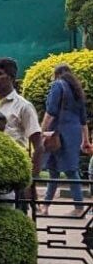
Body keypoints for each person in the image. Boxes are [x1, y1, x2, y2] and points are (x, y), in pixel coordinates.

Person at [40, 63, 93, 217]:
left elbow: (50, 112)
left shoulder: (58, 85)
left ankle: (70, 208)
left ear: (56, 74)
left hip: (57, 133)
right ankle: (73, 207)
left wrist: (41, 132)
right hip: (74, 133)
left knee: (55, 172)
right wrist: (86, 140)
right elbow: (83, 119)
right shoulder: (77, 91)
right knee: (70, 170)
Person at [0, 58, 42, 175]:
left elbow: (38, 144)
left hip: (14, 171)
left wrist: (32, 175)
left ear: (11, 77)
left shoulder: (24, 106)